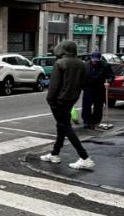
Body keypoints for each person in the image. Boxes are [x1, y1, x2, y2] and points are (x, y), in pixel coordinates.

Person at [40, 40, 95, 170]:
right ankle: (55, 154)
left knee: (65, 127)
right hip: (72, 99)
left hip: (59, 101)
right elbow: (85, 83)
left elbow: (54, 86)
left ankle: (84, 157)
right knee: (61, 126)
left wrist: (50, 101)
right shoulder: (81, 64)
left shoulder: (60, 63)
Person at [81, 51, 114, 130]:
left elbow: (111, 76)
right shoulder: (86, 65)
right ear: (91, 58)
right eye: (93, 59)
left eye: (96, 60)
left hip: (99, 89)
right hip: (88, 88)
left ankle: (95, 122)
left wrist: (109, 82)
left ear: (100, 59)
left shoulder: (105, 66)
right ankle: (86, 122)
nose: (94, 61)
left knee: (98, 107)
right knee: (86, 106)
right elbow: (81, 76)